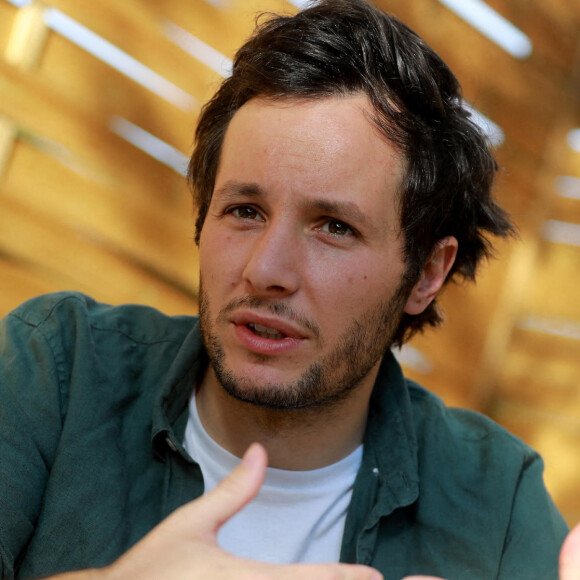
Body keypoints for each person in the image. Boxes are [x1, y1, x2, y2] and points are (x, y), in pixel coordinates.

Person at [0, 0, 573, 578]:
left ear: (426, 272)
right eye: (245, 210)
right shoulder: (59, 370)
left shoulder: (495, 498)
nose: (265, 269)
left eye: (334, 227)